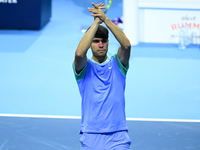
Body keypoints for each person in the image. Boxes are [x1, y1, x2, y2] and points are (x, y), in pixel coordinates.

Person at [72, 2, 131, 150]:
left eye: (104, 41)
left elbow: (126, 46)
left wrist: (105, 19)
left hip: (118, 136)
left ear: (108, 43)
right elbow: (79, 53)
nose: (100, 45)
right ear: (90, 44)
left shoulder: (118, 65)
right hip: (91, 136)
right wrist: (96, 23)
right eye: (96, 41)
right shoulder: (83, 68)